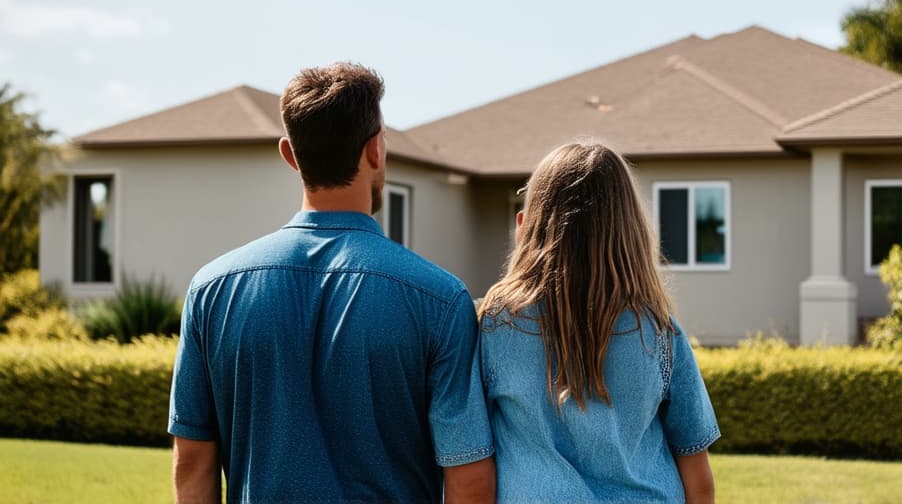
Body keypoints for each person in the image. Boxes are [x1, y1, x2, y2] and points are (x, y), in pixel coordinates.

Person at [168, 63, 495, 504]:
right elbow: (469, 475)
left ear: (290, 154)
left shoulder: (212, 290)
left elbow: (192, 462)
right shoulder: (439, 299)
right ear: (376, 150)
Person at [477, 142, 719, 503]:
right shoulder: (658, 333)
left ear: (523, 227)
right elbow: (698, 477)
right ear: (634, 231)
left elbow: (468, 462)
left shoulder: (492, 328)